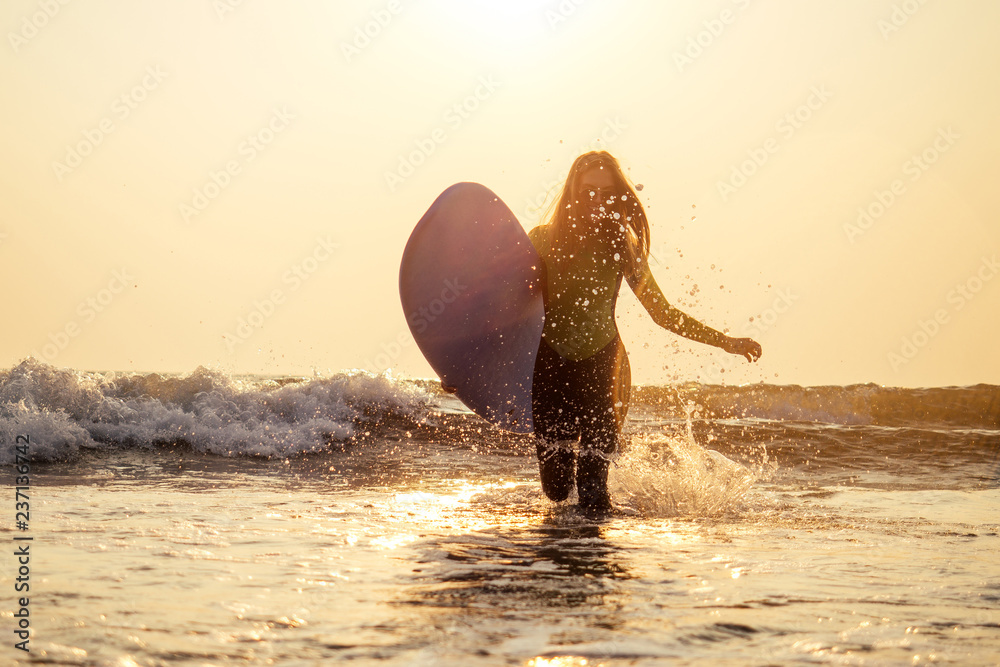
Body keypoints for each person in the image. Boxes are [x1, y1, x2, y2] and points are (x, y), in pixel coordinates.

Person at [527, 151, 762, 514]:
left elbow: (662, 313)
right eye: (589, 191)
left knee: (593, 493)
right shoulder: (542, 240)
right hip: (549, 369)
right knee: (556, 490)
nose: (598, 200)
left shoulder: (621, 244)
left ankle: (595, 546)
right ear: (573, 191)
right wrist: (459, 366)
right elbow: (506, 309)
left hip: (604, 369)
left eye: (607, 194)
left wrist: (725, 342)